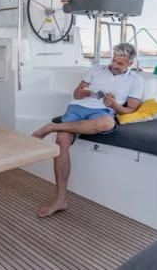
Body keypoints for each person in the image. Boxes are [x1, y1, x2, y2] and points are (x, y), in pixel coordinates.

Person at [32, 43, 144, 218]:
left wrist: (114, 105)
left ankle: (52, 126)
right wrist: (81, 92)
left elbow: (130, 110)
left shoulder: (136, 80)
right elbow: (76, 94)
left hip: (102, 112)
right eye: (113, 60)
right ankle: (60, 199)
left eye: (120, 63)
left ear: (130, 63)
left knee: (107, 123)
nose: (114, 65)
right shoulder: (96, 69)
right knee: (62, 140)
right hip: (78, 107)